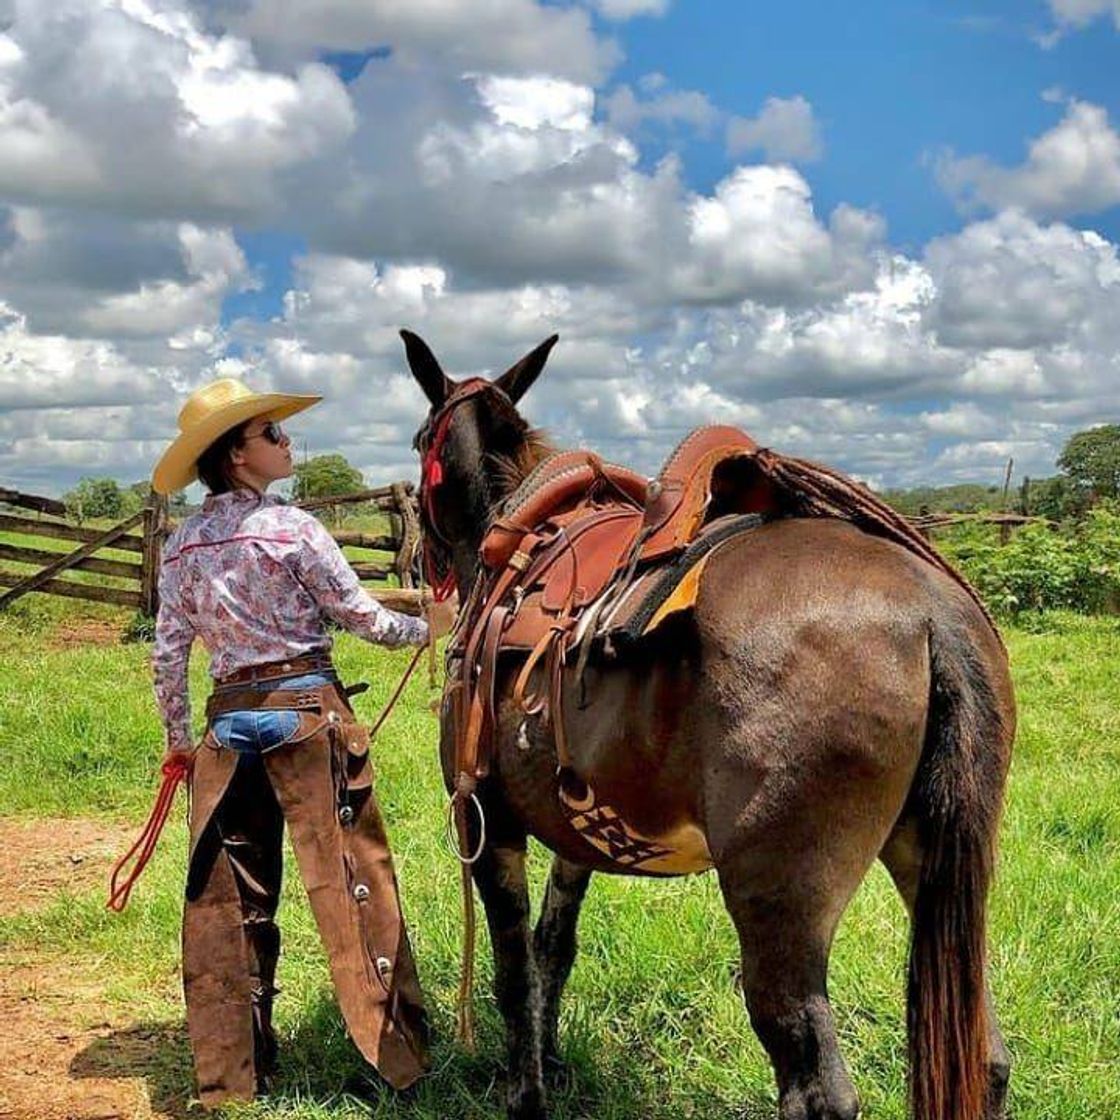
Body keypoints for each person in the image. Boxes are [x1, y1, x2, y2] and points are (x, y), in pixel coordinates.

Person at [149, 377, 455, 1107]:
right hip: (305, 715)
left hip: (227, 727)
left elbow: (167, 654)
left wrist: (179, 742)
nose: (286, 443)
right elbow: (364, 618)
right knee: (355, 884)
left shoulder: (183, 544)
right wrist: (432, 629)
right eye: (271, 435)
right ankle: (398, 1061)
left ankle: (234, 1077)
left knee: (230, 904)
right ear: (237, 457)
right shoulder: (292, 529)